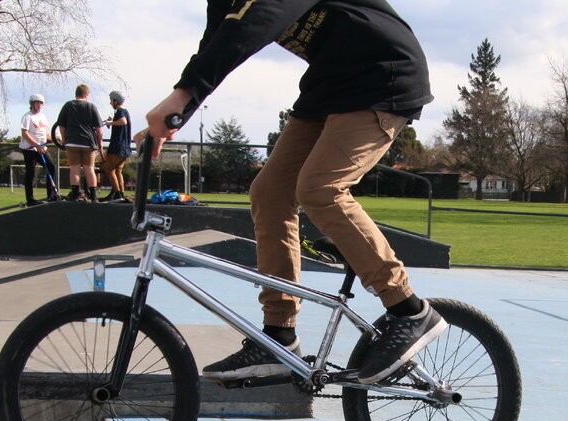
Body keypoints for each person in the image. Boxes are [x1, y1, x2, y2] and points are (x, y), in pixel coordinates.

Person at [136, 0, 445, 386]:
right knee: (269, 192)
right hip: (331, 84)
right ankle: (279, 336)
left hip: (383, 74)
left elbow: (256, 21)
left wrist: (183, 96)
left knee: (321, 189)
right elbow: (220, 40)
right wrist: (178, 113)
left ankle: (408, 309)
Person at [56, 84, 104, 202]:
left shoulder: (68, 106)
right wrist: (100, 143)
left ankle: (75, 193)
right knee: (89, 168)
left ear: (76, 94)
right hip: (88, 142)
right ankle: (93, 195)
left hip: (72, 142)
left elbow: (61, 125)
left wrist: (64, 138)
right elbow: (99, 129)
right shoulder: (91, 107)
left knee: (74, 169)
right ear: (87, 95)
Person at [18, 93, 59, 206]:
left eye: (41, 103)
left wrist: (57, 138)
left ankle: (51, 195)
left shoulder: (43, 117)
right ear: (32, 104)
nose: (40, 105)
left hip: (42, 148)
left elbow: (45, 133)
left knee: (51, 166)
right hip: (30, 149)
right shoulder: (27, 117)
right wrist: (36, 145)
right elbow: (25, 133)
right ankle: (30, 199)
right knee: (30, 173)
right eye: (37, 103)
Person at [100, 90, 133, 203]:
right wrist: (113, 119)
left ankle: (117, 194)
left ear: (115, 101)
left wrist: (110, 123)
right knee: (118, 170)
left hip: (117, 147)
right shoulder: (125, 111)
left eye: (111, 100)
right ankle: (121, 193)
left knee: (109, 169)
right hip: (125, 148)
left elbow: (123, 121)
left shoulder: (119, 111)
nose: (110, 103)